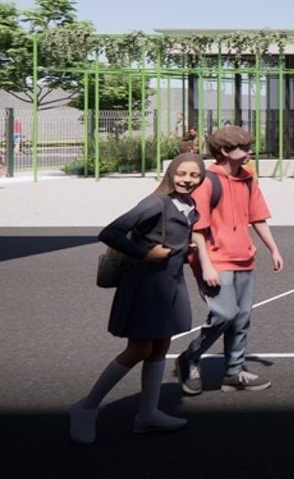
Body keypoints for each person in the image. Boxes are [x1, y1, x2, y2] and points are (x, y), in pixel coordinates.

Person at [70, 154, 212, 443]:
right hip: (145, 285)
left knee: (160, 346)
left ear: (201, 178)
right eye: (181, 173)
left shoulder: (189, 204)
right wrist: (145, 254)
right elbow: (110, 232)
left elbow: (171, 239)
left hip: (169, 284)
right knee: (138, 349)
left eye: (194, 175)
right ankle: (85, 408)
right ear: (170, 173)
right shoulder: (155, 203)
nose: (186, 179)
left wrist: (183, 253)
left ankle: (147, 415)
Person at [175, 126, 285, 396]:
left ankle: (234, 373)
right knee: (225, 313)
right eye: (244, 147)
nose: (250, 151)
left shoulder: (247, 178)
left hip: (243, 257)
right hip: (214, 259)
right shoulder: (207, 181)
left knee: (241, 319)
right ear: (225, 151)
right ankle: (190, 357)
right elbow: (197, 229)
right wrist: (207, 264)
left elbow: (257, 216)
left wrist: (273, 249)